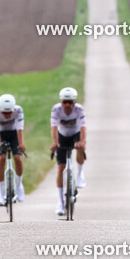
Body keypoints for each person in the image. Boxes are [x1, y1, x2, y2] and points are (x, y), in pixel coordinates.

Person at [49, 86, 87, 215]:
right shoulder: (56, 110)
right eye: (65, 102)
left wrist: (82, 142)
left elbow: (83, 128)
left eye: (70, 102)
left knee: (81, 147)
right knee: (61, 168)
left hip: (75, 134)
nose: (67, 105)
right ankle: (60, 202)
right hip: (62, 136)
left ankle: (80, 174)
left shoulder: (79, 110)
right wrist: (55, 143)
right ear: (61, 102)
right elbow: (54, 128)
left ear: (74, 102)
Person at [0, 93, 26, 206]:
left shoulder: (18, 110)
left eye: (9, 112)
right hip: (1, 134)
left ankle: (19, 185)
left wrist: (21, 144)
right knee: (1, 159)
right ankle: (0, 194)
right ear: (0, 109)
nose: (7, 115)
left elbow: (20, 129)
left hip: (14, 134)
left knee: (18, 158)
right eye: (4, 113)